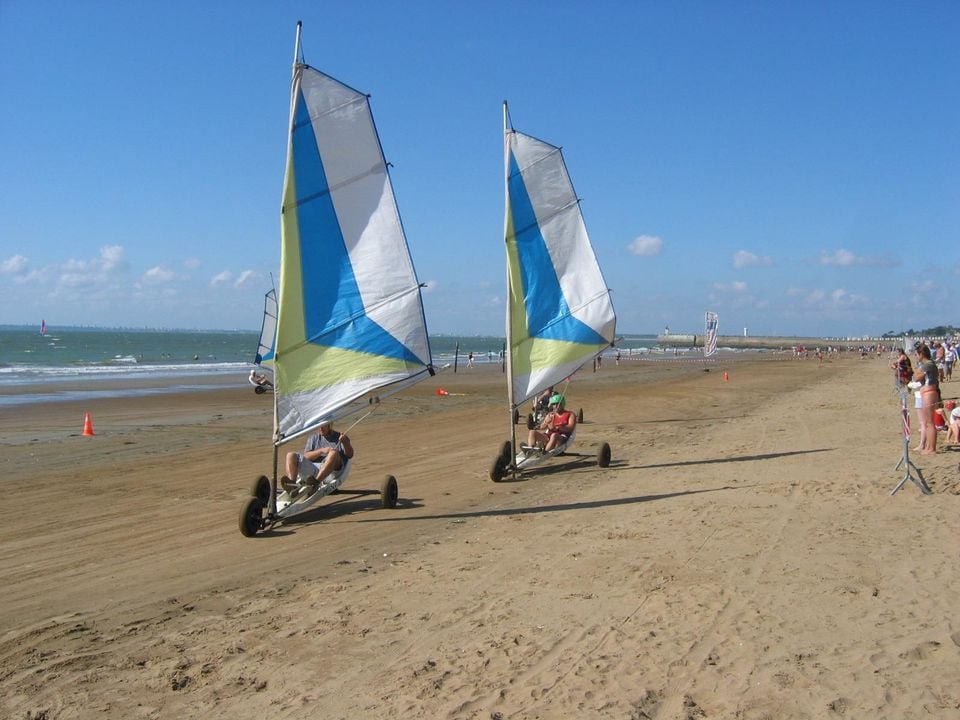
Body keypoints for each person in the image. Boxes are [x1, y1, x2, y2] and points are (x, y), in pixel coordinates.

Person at [282, 420, 354, 495]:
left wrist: (345, 442)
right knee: (290, 455)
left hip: (332, 472)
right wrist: (321, 451)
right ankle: (293, 486)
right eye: (318, 426)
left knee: (333, 453)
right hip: (315, 470)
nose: (320, 428)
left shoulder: (340, 436)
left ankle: (315, 484)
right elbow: (307, 456)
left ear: (329, 425)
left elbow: (350, 455)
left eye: (323, 426)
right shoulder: (314, 438)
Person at [913, 344, 940, 455]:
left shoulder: (928, 364)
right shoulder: (930, 364)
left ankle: (931, 448)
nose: (915, 357)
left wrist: (917, 368)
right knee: (929, 423)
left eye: (916, 354)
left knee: (930, 423)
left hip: (929, 393)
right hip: (929, 392)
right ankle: (929, 446)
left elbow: (916, 377)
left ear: (921, 354)